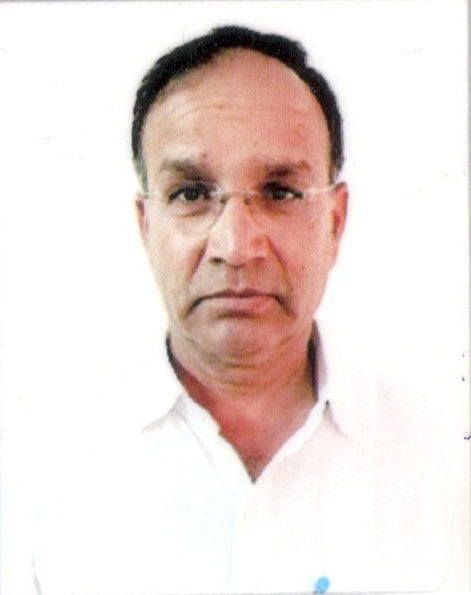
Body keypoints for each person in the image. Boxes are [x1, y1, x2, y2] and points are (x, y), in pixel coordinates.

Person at [20, 25, 468, 595]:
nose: (235, 246)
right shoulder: (37, 472)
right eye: (191, 194)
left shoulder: (443, 464)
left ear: (335, 222)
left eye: (280, 192)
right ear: (146, 225)